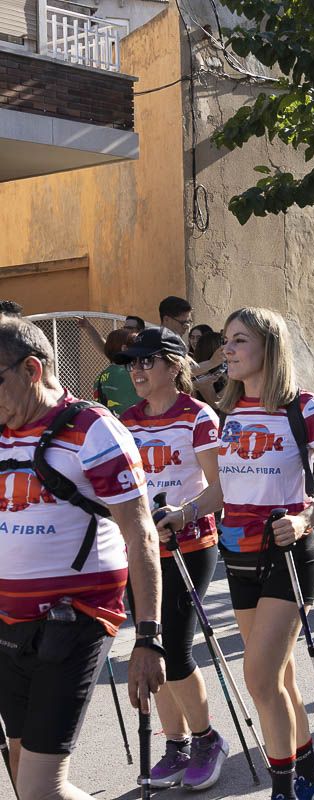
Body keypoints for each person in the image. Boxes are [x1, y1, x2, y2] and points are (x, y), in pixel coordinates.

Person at [0, 317, 165, 800]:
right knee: (21, 767)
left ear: (32, 369)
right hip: (8, 623)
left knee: (38, 789)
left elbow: (140, 534)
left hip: (73, 621)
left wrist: (148, 638)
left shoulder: (93, 430)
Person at [216, 307, 314, 800]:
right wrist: (185, 512)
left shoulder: (303, 407)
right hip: (238, 555)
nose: (227, 350)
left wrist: (305, 518)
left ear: (269, 348)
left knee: (259, 678)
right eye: (227, 341)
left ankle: (285, 789)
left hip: (288, 555)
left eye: (239, 341)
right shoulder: (227, 412)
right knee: (280, 678)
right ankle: (311, 777)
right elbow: (223, 490)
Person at [117, 327, 229, 790]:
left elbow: (222, 489)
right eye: (133, 363)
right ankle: (176, 743)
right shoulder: (126, 419)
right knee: (152, 647)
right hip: (139, 551)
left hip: (190, 546)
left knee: (177, 649)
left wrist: (183, 515)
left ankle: (207, 739)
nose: (137, 371)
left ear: (175, 366)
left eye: (147, 362)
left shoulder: (197, 417)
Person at [94, 327, 142, 415]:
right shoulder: (134, 374)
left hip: (111, 426)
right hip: (134, 426)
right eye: (136, 346)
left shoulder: (99, 379)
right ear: (125, 349)